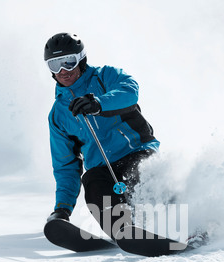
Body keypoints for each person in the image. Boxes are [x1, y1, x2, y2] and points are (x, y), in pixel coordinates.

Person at [44, 32, 160, 239]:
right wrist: (62, 208)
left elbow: (129, 91)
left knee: (140, 175)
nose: (63, 71)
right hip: (102, 167)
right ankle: (125, 233)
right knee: (94, 187)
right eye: (55, 65)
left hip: (136, 151)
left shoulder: (106, 76)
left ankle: (179, 224)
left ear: (81, 60)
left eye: (68, 62)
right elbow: (65, 165)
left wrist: (99, 104)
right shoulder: (58, 114)